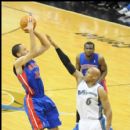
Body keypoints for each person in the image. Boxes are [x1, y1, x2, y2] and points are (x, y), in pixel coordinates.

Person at [46, 36, 112, 130]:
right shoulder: (80, 79)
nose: (85, 72)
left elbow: (108, 110)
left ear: (94, 77)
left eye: (89, 72)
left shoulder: (99, 90)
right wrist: (55, 45)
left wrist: (108, 126)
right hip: (83, 122)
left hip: (96, 123)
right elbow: (67, 63)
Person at [12, 17, 61, 130]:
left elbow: (46, 45)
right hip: (33, 101)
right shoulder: (18, 64)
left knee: (55, 128)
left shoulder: (30, 58)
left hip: (43, 97)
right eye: (24, 50)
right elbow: (33, 50)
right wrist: (30, 32)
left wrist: (33, 30)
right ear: (18, 54)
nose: (27, 50)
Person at [75, 41, 108, 129]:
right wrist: (79, 83)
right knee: (81, 103)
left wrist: (99, 81)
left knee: (101, 105)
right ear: (84, 49)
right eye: (87, 48)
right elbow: (76, 71)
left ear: (94, 49)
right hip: (86, 83)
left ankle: (103, 123)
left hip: (98, 83)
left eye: (91, 48)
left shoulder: (99, 58)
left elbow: (105, 70)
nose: (89, 50)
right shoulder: (79, 57)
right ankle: (78, 123)